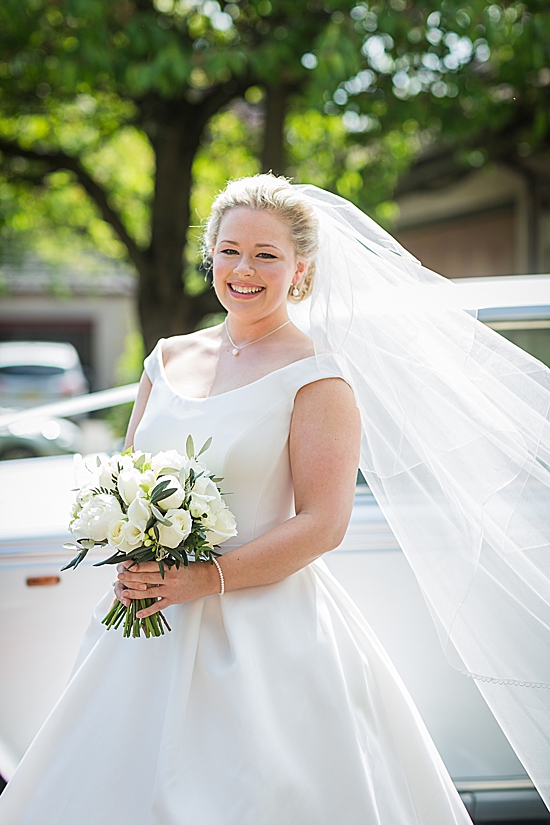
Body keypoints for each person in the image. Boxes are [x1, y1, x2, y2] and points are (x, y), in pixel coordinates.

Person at [0, 174, 547, 824]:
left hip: (264, 630)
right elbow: (127, 476)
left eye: (266, 254)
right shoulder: (167, 358)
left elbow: (324, 523)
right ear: (211, 255)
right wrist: (130, 545)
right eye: (230, 250)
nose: (244, 269)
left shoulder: (317, 373)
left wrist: (207, 576)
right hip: (150, 621)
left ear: (300, 268)